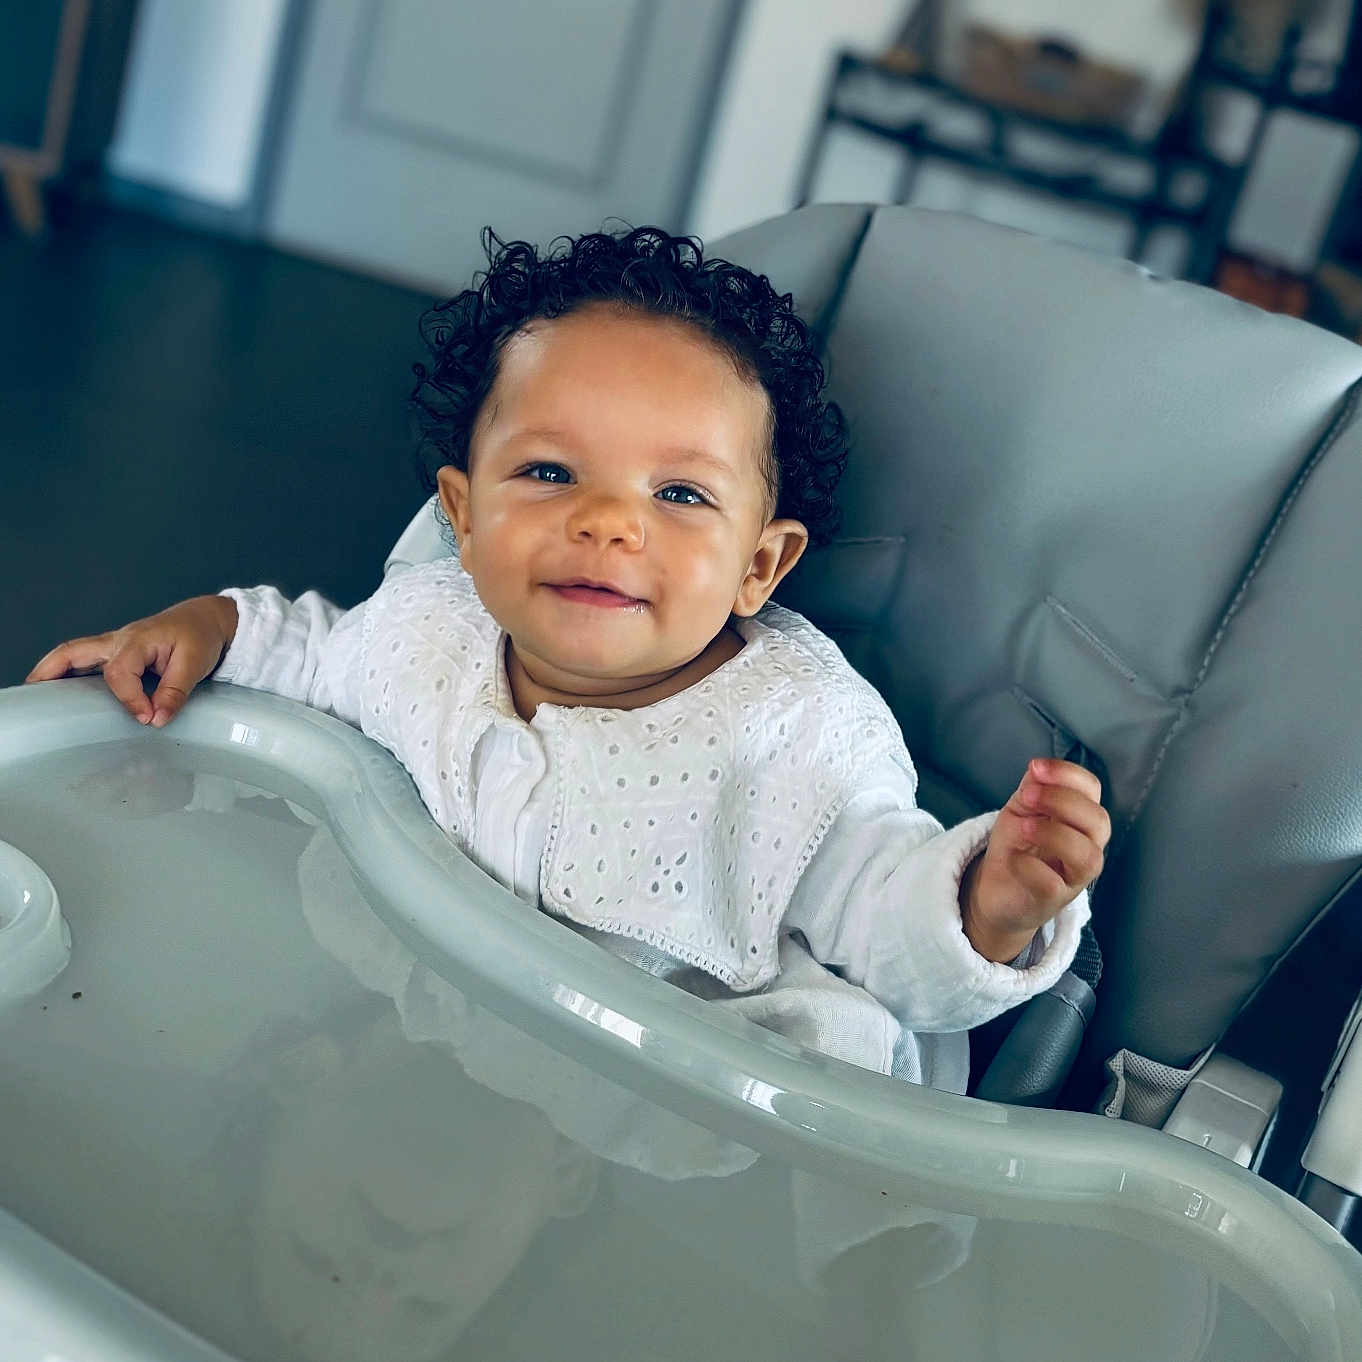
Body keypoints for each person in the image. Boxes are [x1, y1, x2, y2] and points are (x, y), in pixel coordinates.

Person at [25, 225, 1110, 1093]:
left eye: (678, 494)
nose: (608, 523)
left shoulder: (799, 733)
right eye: (549, 472)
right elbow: (316, 659)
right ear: (461, 511)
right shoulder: (429, 627)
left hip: (694, 1117)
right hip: (418, 1048)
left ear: (760, 568)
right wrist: (211, 625)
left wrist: (990, 904)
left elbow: (887, 919)